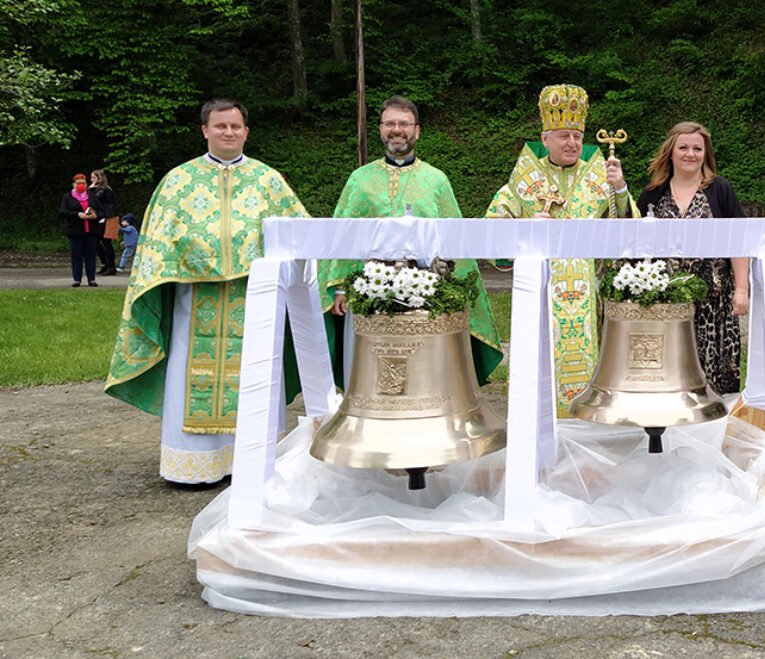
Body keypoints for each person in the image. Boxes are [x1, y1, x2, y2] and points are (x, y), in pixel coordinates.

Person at [105, 98, 310, 485]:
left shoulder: (269, 181)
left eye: (235, 126)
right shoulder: (178, 181)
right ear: (205, 130)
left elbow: (299, 236)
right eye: (220, 126)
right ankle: (194, 465)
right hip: (195, 297)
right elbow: (156, 246)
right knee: (189, 371)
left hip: (255, 298)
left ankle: (253, 462)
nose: (229, 132)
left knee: (255, 374)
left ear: (246, 131)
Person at [318, 95, 504, 386]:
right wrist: (340, 287)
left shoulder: (436, 180)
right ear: (380, 129)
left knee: (423, 375)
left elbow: (454, 239)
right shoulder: (360, 180)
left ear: (417, 130)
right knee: (369, 375)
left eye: (404, 123)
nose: (397, 129)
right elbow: (343, 237)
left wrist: (458, 289)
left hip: (425, 292)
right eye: (390, 123)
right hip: (368, 290)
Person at [485, 84, 638, 416]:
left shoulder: (599, 174)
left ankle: (587, 422)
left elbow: (625, 226)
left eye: (577, 137)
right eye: (564, 136)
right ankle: (536, 422)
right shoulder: (524, 180)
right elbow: (491, 229)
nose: (572, 143)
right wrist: (526, 228)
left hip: (587, 293)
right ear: (546, 139)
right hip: (540, 291)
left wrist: (620, 188)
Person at [636, 122, 750, 395]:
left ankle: (712, 431)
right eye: (683, 147)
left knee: (713, 374)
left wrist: (742, 289)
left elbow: (739, 240)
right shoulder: (653, 194)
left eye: (697, 148)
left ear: (706, 153)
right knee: (668, 372)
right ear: (671, 152)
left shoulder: (720, 190)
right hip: (665, 302)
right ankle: (664, 433)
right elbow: (635, 244)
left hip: (715, 301)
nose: (691, 154)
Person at [58, 173, 101, 287]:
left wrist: (95, 216)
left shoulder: (93, 197)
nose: (81, 185)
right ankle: (77, 279)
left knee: (91, 254)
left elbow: (102, 211)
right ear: (74, 184)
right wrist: (77, 214)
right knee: (76, 254)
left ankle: (91, 279)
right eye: (78, 183)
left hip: (91, 230)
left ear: (86, 184)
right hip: (75, 230)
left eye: (83, 183)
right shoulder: (67, 197)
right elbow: (62, 212)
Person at [89, 169, 119, 276]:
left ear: (99, 178)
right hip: (102, 217)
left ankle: (111, 267)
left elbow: (93, 200)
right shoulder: (99, 189)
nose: (91, 179)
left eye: (93, 177)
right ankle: (105, 264)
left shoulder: (104, 189)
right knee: (97, 242)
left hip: (108, 217)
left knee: (106, 242)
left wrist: (89, 189)